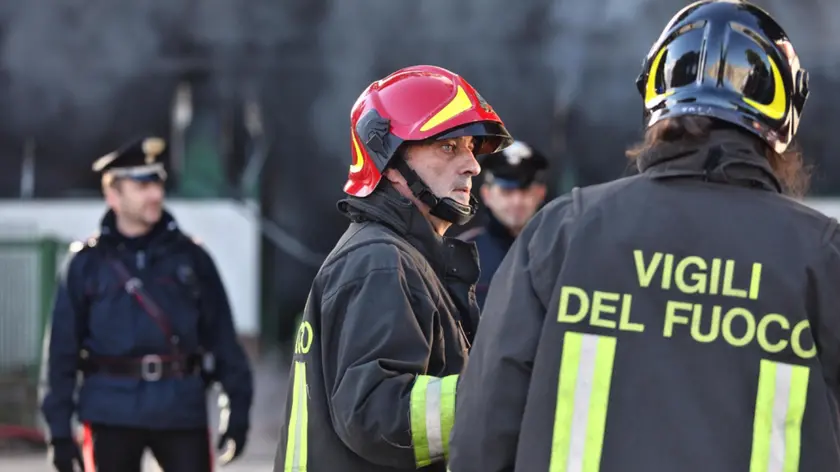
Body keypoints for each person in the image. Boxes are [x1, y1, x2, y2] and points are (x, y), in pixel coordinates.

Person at [448, 1, 836, 471]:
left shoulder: (565, 232)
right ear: (783, 116)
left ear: (656, 101)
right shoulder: (821, 257)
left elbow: (486, 422)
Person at [273, 65, 513, 472]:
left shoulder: (397, 255)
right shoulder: (379, 262)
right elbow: (375, 415)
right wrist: (499, 397)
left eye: (471, 147)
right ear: (391, 162)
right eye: (449, 147)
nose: (473, 165)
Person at [40, 137, 254, 472]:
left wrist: (237, 410)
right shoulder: (86, 264)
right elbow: (61, 353)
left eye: (156, 182)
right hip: (110, 413)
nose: (154, 194)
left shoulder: (191, 257)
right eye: (140, 185)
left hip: (180, 410)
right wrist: (58, 434)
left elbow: (223, 337)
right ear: (113, 195)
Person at [457, 140, 548, 308]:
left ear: (541, 193)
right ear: (487, 194)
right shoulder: (462, 253)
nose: (517, 201)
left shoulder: (556, 250)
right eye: (506, 192)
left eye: (525, 191)